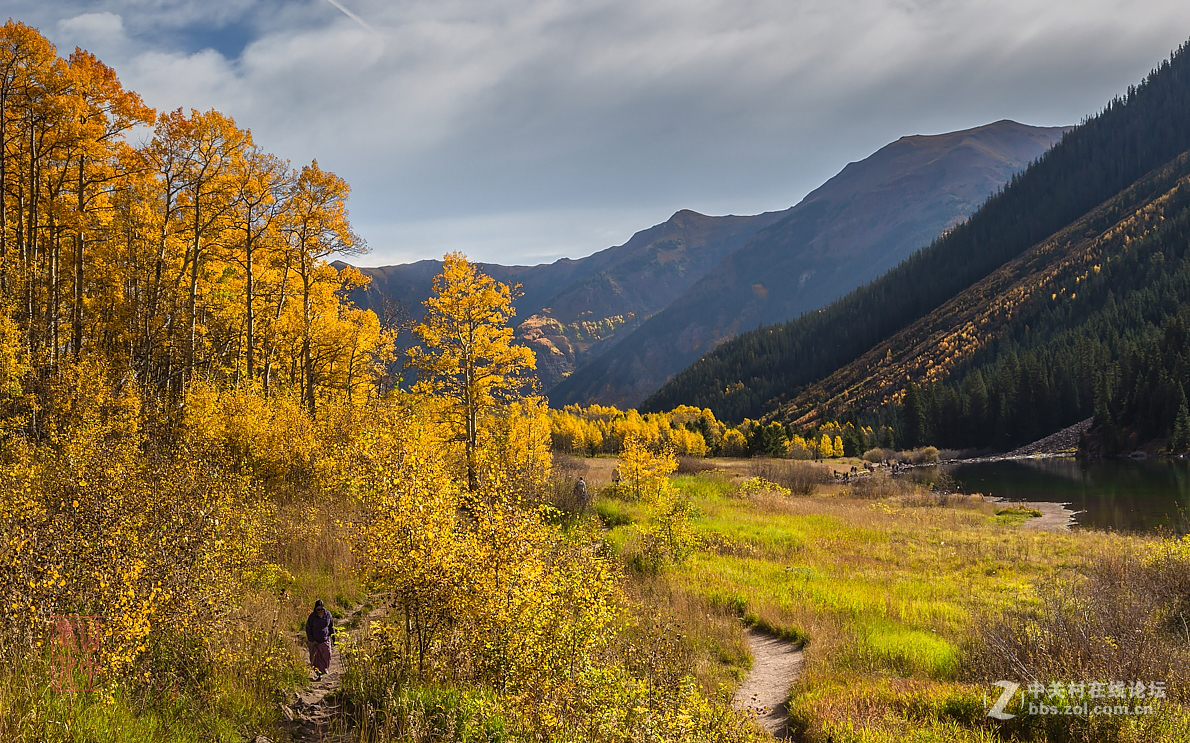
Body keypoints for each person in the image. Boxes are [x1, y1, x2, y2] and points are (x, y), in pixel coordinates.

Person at [305, 599, 336, 680]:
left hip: (325, 639)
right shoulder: (312, 617)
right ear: (315, 609)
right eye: (318, 609)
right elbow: (308, 629)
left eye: (322, 609)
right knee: (316, 659)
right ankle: (319, 674)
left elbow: (331, 627)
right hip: (315, 641)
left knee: (327, 655)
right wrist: (312, 640)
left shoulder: (328, 614)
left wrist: (334, 639)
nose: (320, 611)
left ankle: (324, 669)